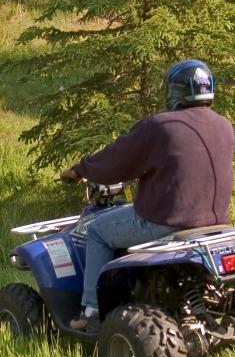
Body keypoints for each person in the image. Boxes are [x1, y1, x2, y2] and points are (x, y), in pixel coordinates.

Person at [61, 59, 234, 333]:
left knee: (96, 230)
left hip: (166, 220)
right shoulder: (225, 126)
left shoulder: (161, 126)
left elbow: (117, 160)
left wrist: (80, 169)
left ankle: (91, 311)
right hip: (215, 223)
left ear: (175, 91)